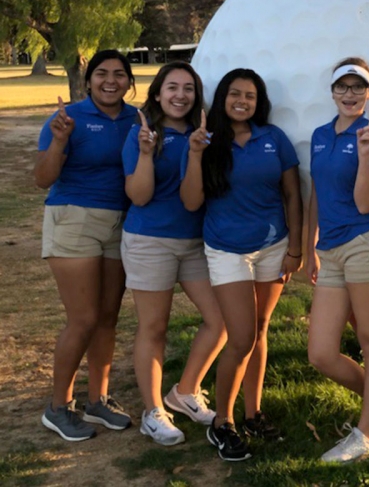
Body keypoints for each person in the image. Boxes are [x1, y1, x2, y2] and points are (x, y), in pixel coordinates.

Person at [181, 68, 302, 461]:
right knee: (240, 338)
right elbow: (192, 201)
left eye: (250, 96)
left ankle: (253, 413)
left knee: (261, 329)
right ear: (223, 98)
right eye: (235, 93)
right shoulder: (206, 140)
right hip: (227, 249)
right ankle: (222, 422)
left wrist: (296, 247)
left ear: (258, 101)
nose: (242, 101)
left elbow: (292, 194)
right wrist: (196, 153)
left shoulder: (274, 138)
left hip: (273, 246)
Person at [121, 61, 228, 446]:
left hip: (195, 241)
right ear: (158, 93)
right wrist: (146, 152)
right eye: (171, 87)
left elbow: (200, 195)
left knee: (220, 321)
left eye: (188, 88)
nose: (180, 95)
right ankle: (153, 412)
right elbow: (139, 195)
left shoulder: (205, 135)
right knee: (154, 327)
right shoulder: (141, 133)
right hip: (150, 240)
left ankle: (184, 392)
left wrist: (198, 151)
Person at [35, 50, 136, 441]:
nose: (110, 81)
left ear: (130, 81)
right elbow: (43, 178)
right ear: (89, 79)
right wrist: (60, 141)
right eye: (101, 74)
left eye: (119, 74)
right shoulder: (68, 119)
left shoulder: (136, 119)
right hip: (73, 218)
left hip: (121, 222)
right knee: (84, 318)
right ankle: (58, 407)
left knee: (108, 317)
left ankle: (98, 399)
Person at [306, 58, 369, 464]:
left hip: (366, 245)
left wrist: (364, 156)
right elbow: (317, 192)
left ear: (368, 93)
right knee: (321, 353)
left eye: (357, 87)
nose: (349, 94)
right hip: (330, 251)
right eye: (342, 87)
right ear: (332, 92)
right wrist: (309, 242)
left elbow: (365, 203)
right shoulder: (318, 135)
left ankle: (367, 434)